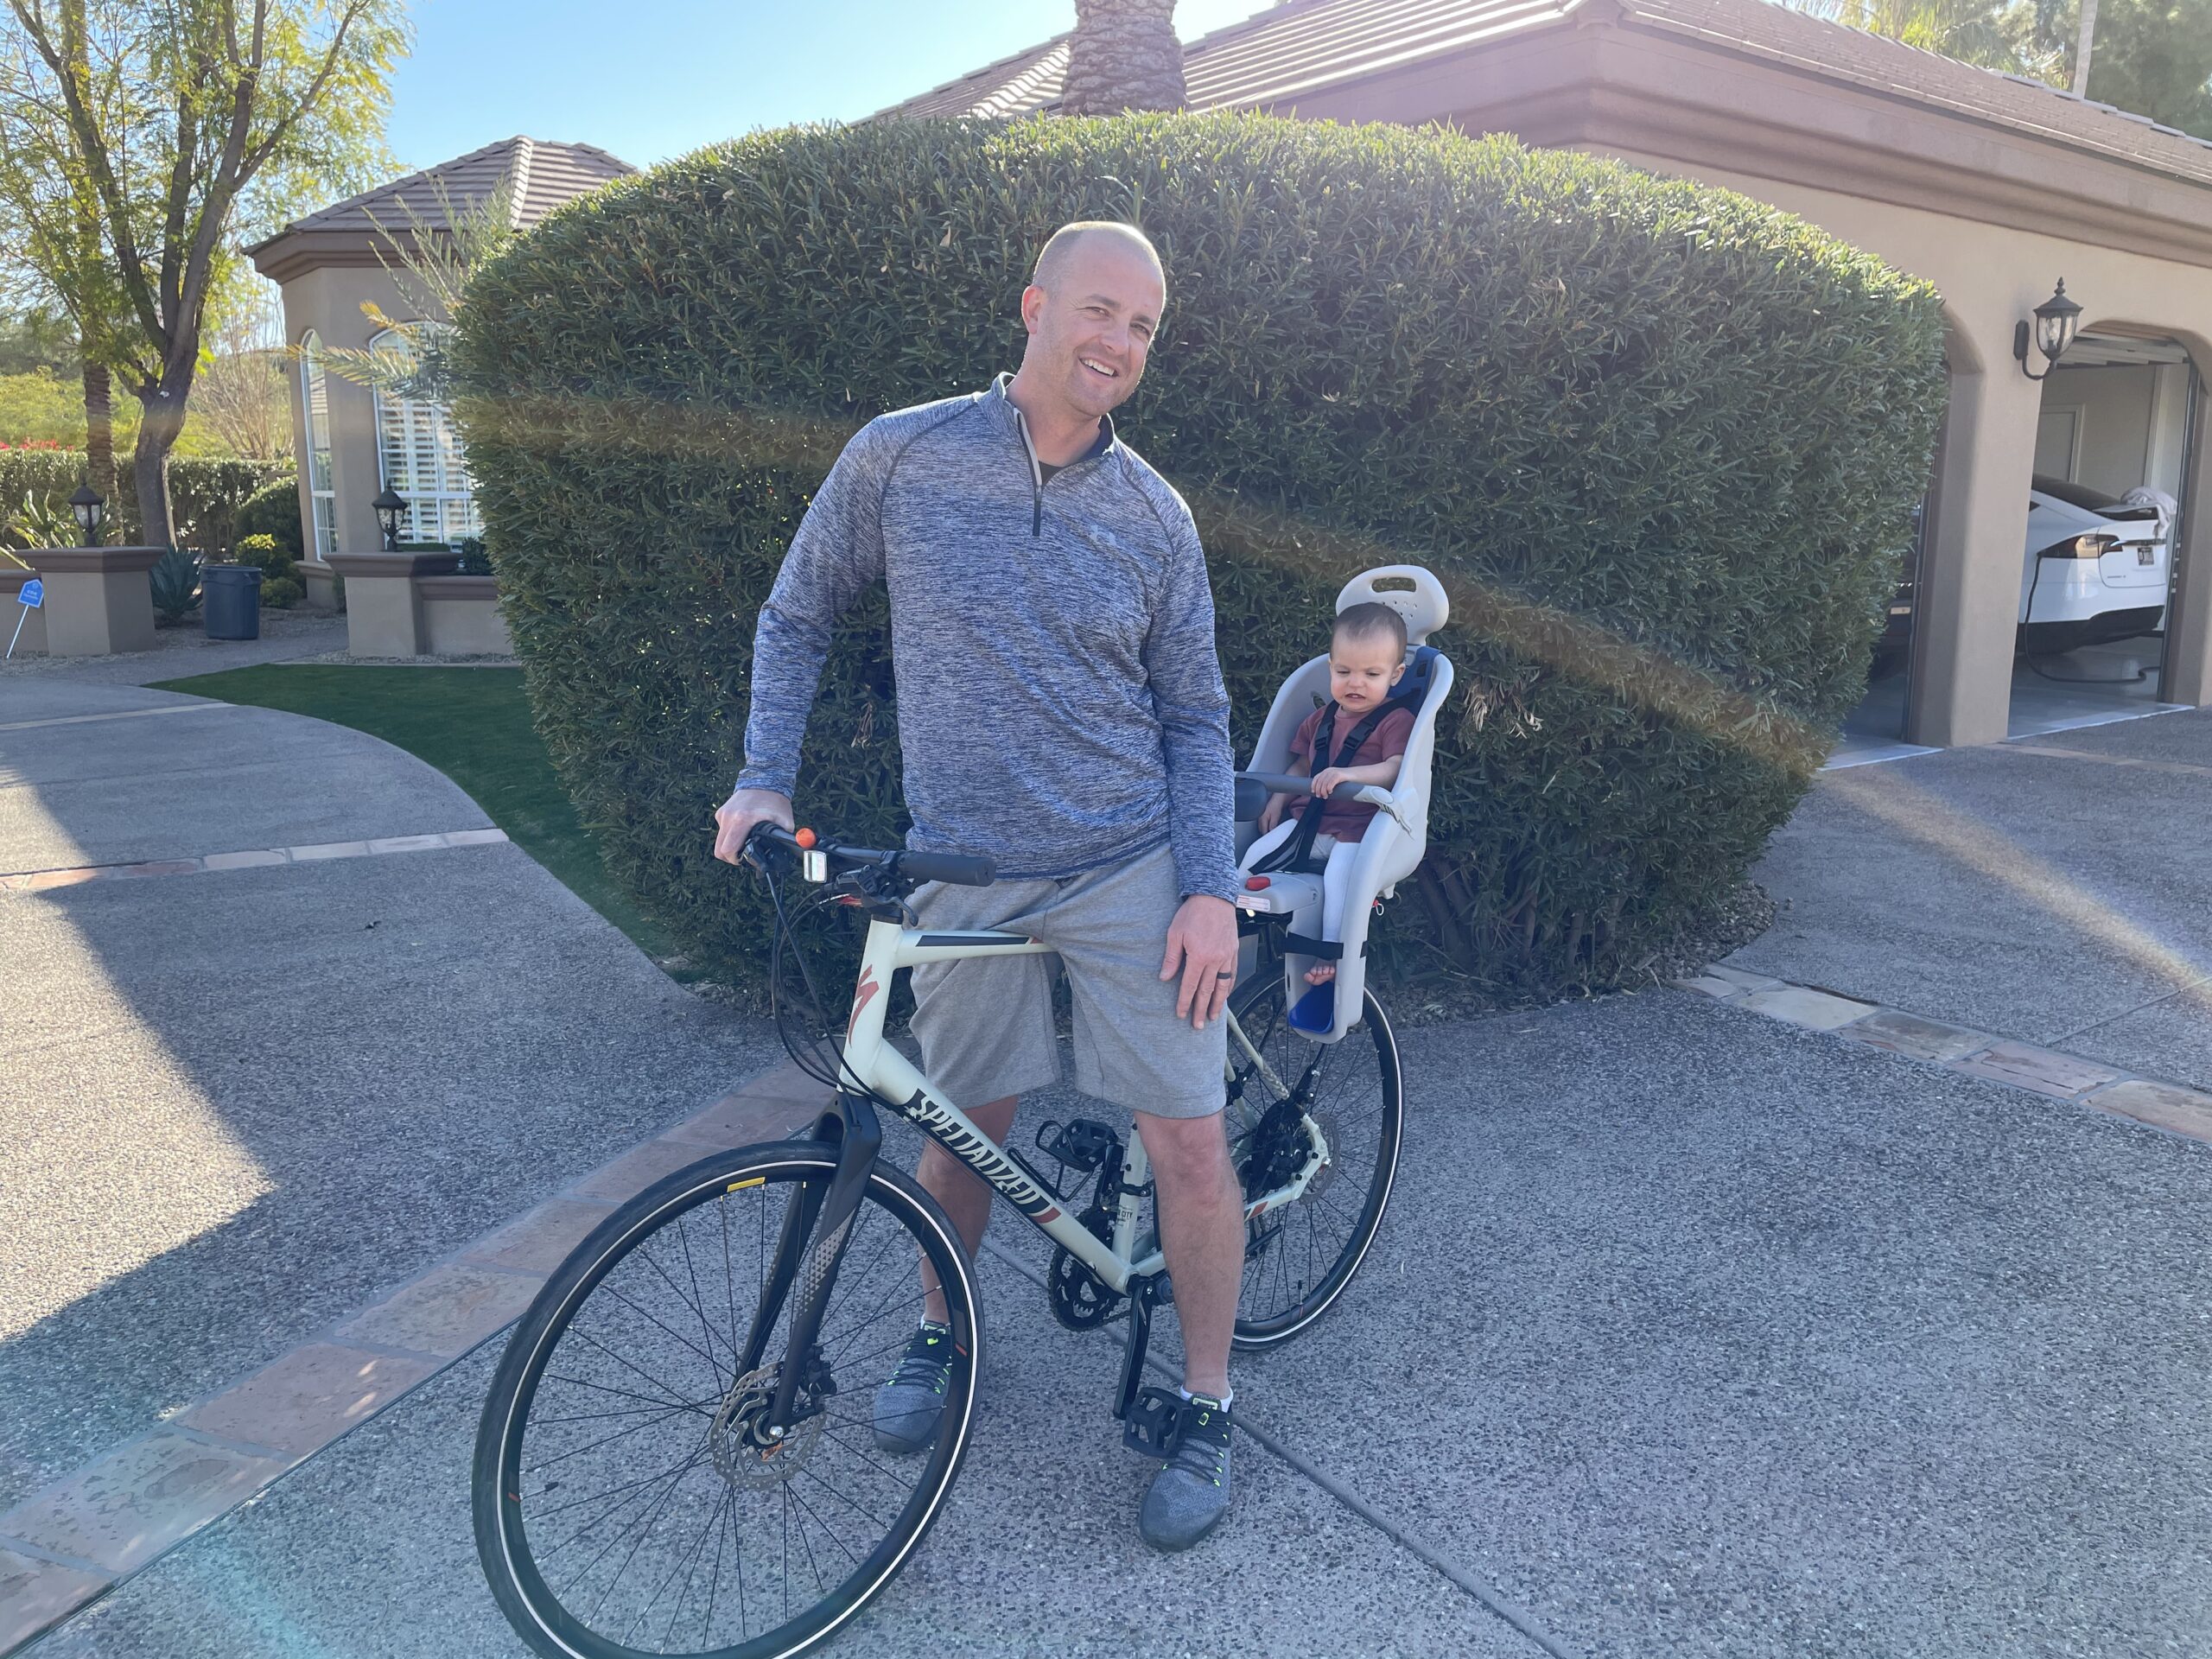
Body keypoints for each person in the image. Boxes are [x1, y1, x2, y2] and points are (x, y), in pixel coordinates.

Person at [711, 220, 1246, 1552]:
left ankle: (1206, 1397)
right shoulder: (901, 454)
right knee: (961, 1130)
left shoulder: (1154, 514)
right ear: (1034, 305)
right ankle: (943, 1337)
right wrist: (762, 778)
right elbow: (797, 611)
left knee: (1185, 1137)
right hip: (966, 864)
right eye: (1101, 310)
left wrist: (1210, 889)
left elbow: (1195, 714)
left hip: (1130, 862)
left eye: (1145, 327)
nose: (1119, 343)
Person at [1243, 602, 1414, 988]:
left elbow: (1394, 769)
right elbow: (1301, 767)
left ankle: (1332, 956)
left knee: (1341, 882)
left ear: (1396, 675)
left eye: (1372, 674)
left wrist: (1347, 774)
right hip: (1309, 825)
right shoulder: (1318, 721)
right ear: (1330, 668)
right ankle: (1229, 929)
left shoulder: (1396, 720)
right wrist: (1278, 800)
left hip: (1358, 832)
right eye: (1344, 672)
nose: (1356, 683)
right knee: (1252, 858)